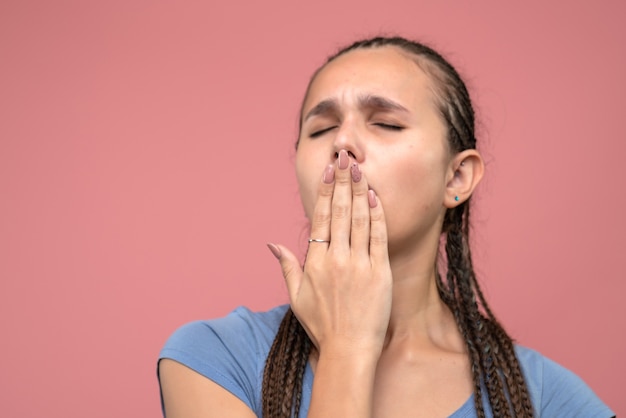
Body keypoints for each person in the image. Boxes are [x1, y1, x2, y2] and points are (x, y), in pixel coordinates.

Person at [157, 36, 614, 417]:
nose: (343, 142)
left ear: (456, 177)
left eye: (386, 123)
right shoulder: (214, 358)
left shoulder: (546, 399)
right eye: (320, 130)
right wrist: (348, 348)